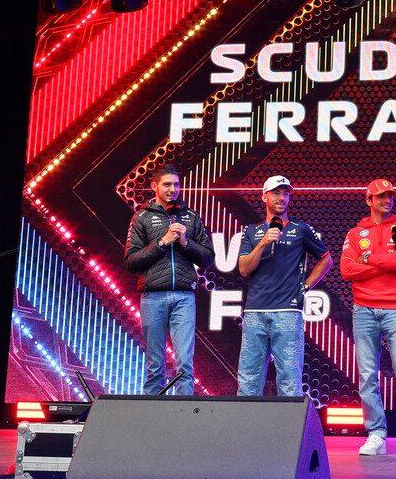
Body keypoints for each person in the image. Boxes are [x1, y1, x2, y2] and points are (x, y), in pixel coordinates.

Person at [340, 179, 396, 458]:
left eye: (390, 196)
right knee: (368, 375)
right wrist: (382, 263)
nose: (386, 200)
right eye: (380, 196)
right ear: (368, 200)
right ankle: (376, 433)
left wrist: (367, 260)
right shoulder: (356, 232)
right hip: (363, 309)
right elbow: (346, 270)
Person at [236, 175, 333, 396]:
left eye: (286, 193)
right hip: (255, 312)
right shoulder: (251, 231)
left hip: (288, 312)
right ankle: (244, 430)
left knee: (290, 380)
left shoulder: (301, 229)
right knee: (249, 379)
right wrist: (263, 242)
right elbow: (244, 269)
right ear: (264, 196)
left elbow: (327, 259)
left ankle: (290, 431)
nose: (282, 197)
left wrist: (305, 287)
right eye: (276, 192)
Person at [124, 164, 215, 396]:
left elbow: (207, 259)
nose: (172, 189)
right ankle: (152, 419)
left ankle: (185, 418)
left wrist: (185, 242)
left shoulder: (191, 217)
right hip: (152, 297)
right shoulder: (141, 217)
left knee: (184, 363)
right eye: (167, 184)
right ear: (154, 186)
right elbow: (131, 261)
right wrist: (163, 242)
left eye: (176, 184)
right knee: (155, 365)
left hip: (184, 297)